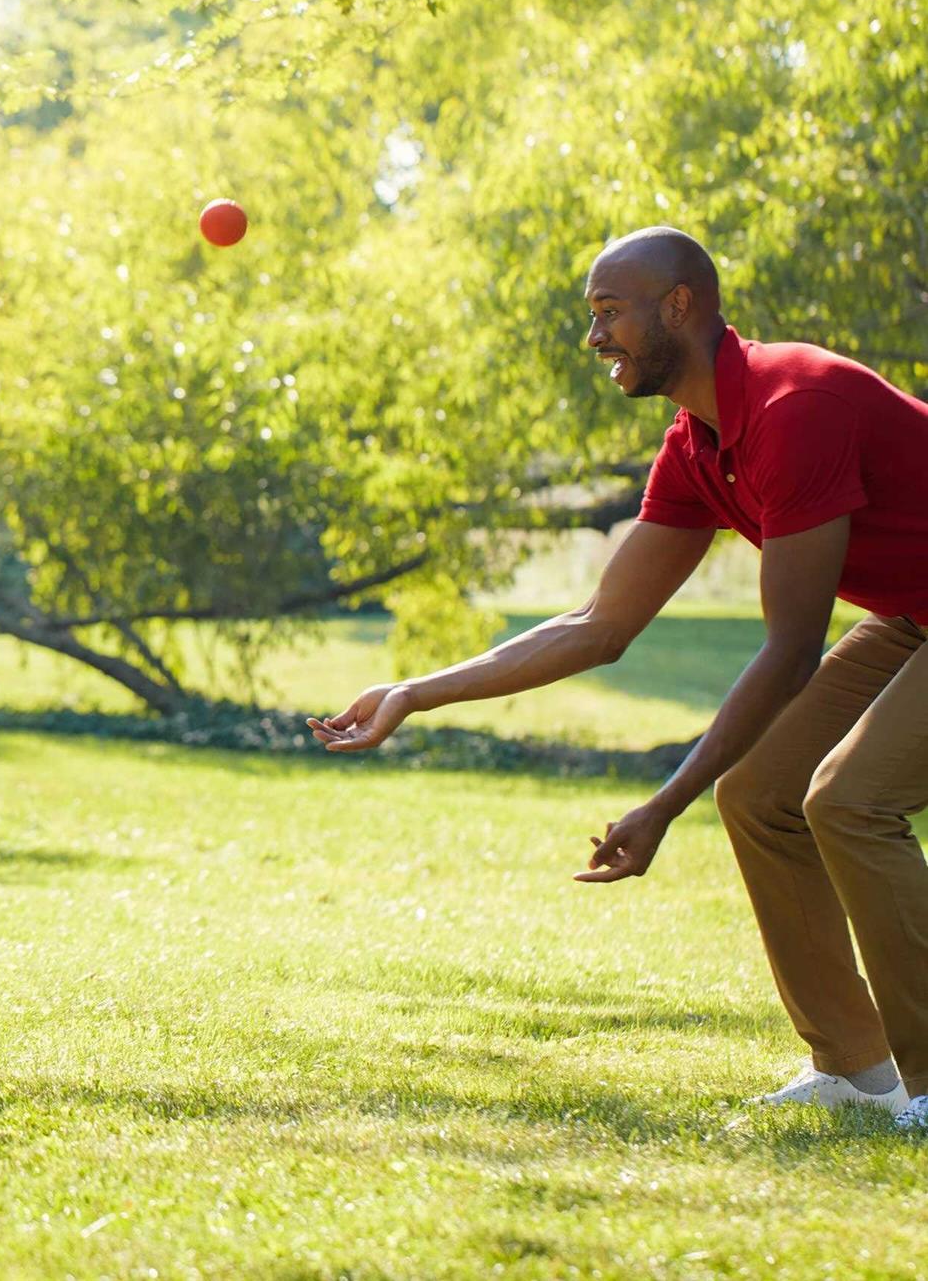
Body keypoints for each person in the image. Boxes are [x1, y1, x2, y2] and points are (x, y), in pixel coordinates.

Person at [308, 226, 928, 1131]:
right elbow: (599, 626)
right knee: (759, 796)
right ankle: (857, 1070)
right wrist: (415, 691)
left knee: (847, 800)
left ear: (679, 306)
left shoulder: (796, 405)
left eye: (609, 314)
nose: (594, 337)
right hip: (913, 613)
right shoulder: (697, 446)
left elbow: (791, 650)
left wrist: (663, 803)